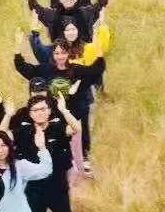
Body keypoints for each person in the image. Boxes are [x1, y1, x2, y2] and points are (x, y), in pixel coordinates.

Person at [0, 91, 80, 212]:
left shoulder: (57, 127)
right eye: (35, 110)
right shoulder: (24, 131)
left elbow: (76, 129)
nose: (39, 113)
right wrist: (8, 115)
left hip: (58, 188)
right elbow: (1, 136)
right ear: (30, 114)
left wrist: (64, 110)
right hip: (34, 189)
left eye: (43, 109)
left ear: (49, 111)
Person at [13, 35, 103, 172]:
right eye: (57, 53)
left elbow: (96, 70)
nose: (60, 56)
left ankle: (80, 165)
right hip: (50, 117)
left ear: (68, 53)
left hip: (70, 116)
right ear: (53, 54)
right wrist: (17, 48)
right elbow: (22, 67)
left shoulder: (76, 70)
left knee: (74, 147)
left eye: (63, 53)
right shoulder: (45, 70)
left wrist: (99, 52)